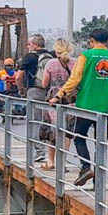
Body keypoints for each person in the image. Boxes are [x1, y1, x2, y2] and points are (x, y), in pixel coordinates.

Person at [56, 30, 108, 187]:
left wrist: (59, 95)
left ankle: (86, 167)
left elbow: (75, 79)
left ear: (92, 40)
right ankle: (98, 181)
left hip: (86, 105)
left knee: (79, 136)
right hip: (106, 107)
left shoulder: (86, 56)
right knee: (100, 143)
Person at [37, 39, 73, 171]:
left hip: (53, 100)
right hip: (70, 100)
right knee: (66, 133)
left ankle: (51, 161)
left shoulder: (51, 63)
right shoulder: (75, 62)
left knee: (52, 131)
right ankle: (61, 162)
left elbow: (44, 84)